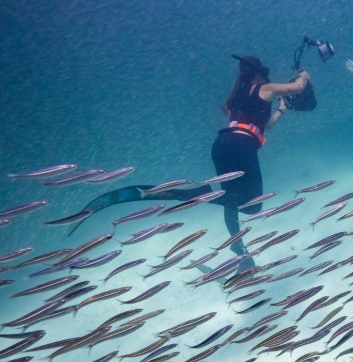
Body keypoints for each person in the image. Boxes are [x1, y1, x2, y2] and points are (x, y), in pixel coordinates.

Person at [67, 56, 310, 270]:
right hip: (241, 147)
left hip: (223, 145)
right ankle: (198, 194)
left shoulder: (238, 95)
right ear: (260, 73)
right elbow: (298, 87)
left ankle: (239, 251)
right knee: (253, 205)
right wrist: (304, 74)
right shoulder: (264, 87)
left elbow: (263, 127)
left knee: (232, 198)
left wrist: (281, 110)